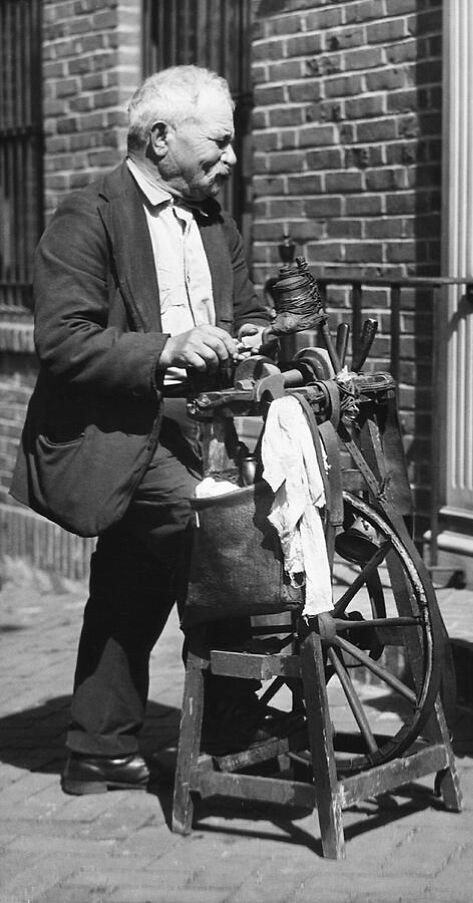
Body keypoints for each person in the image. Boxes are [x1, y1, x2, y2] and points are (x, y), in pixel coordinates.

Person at [11, 65, 272, 794]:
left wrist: (247, 337)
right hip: (118, 435)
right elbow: (63, 341)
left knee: (131, 582)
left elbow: (245, 306)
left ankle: (98, 747)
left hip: (197, 432)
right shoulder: (87, 214)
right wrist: (168, 347)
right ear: (161, 138)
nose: (232, 157)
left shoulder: (216, 219)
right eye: (219, 142)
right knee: (221, 548)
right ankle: (233, 732)